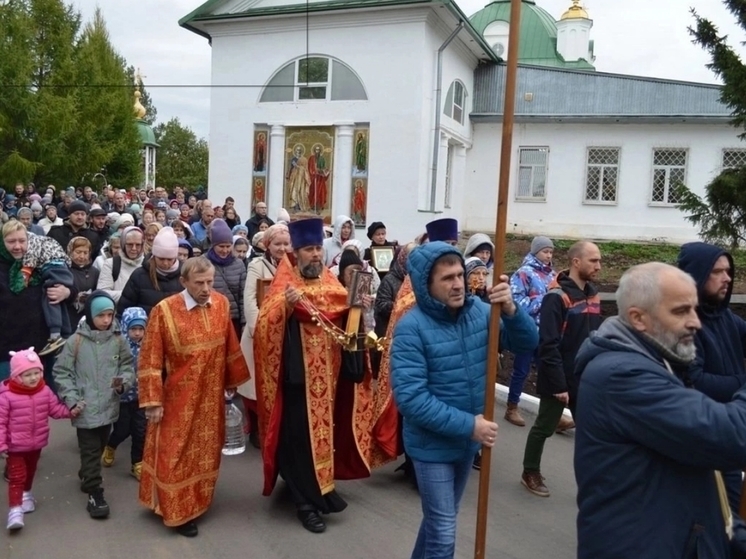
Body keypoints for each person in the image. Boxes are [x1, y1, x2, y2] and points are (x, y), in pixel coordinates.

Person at [574, 262, 746, 559]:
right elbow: (732, 435)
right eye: (680, 311)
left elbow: (697, 493)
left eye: (694, 309)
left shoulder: (660, 365)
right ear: (638, 318)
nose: (696, 322)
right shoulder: (621, 376)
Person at [390, 242, 538, 558]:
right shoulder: (411, 329)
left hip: (466, 444)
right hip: (432, 447)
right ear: (426, 284)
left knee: (437, 524)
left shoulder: (482, 313)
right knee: (443, 533)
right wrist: (470, 425)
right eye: (447, 278)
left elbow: (527, 342)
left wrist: (511, 311)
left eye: (459, 275)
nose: (458, 284)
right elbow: (411, 398)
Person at [253, 218, 376, 534]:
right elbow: (265, 326)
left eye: (318, 248)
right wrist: (286, 307)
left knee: (321, 437)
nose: (315, 255)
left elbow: (348, 321)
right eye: (309, 249)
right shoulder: (285, 285)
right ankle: (306, 504)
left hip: (328, 379)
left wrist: (359, 307)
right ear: (295, 253)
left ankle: (320, 486)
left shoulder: (332, 282)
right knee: (298, 440)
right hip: (296, 380)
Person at [137, 257, 250, 537]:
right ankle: (176, 510)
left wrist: (232, 382)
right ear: (183, 282)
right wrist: (152, 401)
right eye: (199, 283)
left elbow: (229, 345)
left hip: (211, 397)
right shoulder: (164, 311)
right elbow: (150, 358)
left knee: (206, 451)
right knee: (174, 452)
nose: (205, 288)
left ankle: (198, 501)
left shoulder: (221, 304)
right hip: (178, 397)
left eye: (210, 282)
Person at [521, 241, 602, 498]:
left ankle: (596, 483)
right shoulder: (556, 298)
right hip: (559, 377)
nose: (598, 266)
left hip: (586, 377)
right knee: (544, 426)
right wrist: (559, 385)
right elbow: (548, 344)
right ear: (576, 262)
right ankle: (529, 471)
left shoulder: (593, 293)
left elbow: (595, 336)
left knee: (592, 432)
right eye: (593, 261)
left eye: (599, 261)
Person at [678, 242, 746, 515]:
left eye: (728, 271)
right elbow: (695, 382)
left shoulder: (724, 316)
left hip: (729, 438)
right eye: (718, 272)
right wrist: (742, 383)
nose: (727, 278)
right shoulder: (686, 324)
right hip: (704, 443)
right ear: (697, 275)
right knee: (719, 526)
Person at [52, 292, 134, 519]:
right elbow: (62, 372)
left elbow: (127, 366)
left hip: (109, 405)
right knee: (89, 450)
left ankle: (88, 473)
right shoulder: (76, 341)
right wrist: (72, 399)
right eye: (101, 315)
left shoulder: (118, 339)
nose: (106, 320)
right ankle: (95, 492)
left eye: (110, 314)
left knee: (99, 446)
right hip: (84, 407)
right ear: (90, 315)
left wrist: (122, 384)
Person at [0, 347, 81, 531]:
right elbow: (1, 423)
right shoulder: (6, 396)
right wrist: (2, 444)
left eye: (37, 373)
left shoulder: (44, 391)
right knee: (17, 477)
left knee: (30, 471)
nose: (34, 378)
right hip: (15, 447)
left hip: (36, 444)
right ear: (16, 376)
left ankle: (26, 495)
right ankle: (15, 510)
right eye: (27, 374)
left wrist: (71, 412)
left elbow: (55, 410)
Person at [239, 223, 291, 449]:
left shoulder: (292, 266)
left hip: (284, 331)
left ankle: (277, 427)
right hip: (259, 331)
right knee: (256, 383)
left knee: (279, 383)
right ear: (267, 245)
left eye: (285, 244)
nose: (281, 248)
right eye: (277, 244)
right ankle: (257, 429)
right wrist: (258, 327)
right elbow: (250, 298)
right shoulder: (257, 266)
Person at [3, 221, 76, 356]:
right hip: (9, 348)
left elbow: (73, 287)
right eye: (11, 241)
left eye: (22, 241)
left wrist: (67, 292)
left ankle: (60, 336)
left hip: (43, 346)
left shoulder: (38, 258)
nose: (17, 246)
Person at [507, 236, 557, 427]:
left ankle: (551, 413)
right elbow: (517, 302)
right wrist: (544, 301)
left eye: (551, 251)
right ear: (535, 252)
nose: (548, 255)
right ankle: (512, 407)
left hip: (547, 330)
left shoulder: (553, 275)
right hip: (527, 330)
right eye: (545, 251)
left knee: (547, 371)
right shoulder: (523, 274)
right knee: (521, 370)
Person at [102, 307, 147, 480]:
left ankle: (137, 463)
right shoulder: (119, 346)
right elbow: (112, 369)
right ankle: (111, 446)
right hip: (122, 398)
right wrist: (117, 388)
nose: (137, 333)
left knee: (140, 431)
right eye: (133, 329)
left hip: (141, 397)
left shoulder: (149, 345)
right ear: (125, 327)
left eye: (140, 329)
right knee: (122, 430)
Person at [117, 227, 182, 316]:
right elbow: (124, 309)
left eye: (170, 259)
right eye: (161, 259)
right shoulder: (139, 276)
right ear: (154, 256)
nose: (165, 263)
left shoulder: (185, 275)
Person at [206, 219, 246, 336]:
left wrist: (244, 322)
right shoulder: (203, 262)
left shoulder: (238, 264)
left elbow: (243, 295)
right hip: (212, 317)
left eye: (228, 246)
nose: (225, 250)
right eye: (221, 246)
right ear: (213, 245)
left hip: (234, 319)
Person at [97, 226, 144, 304]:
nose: (134, 248)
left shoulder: (148, 264)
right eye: (130, 244)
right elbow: (102, 293)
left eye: (138, 245)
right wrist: (132, 294)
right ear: (123, 244)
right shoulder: (111, 264)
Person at [66, 237, 100, 327]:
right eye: (78, 252)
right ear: (70, 251)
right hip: (68, 315)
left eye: (85, 253)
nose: (82, 256)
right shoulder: (65, 269)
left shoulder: (95, 272)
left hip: (88, 314)